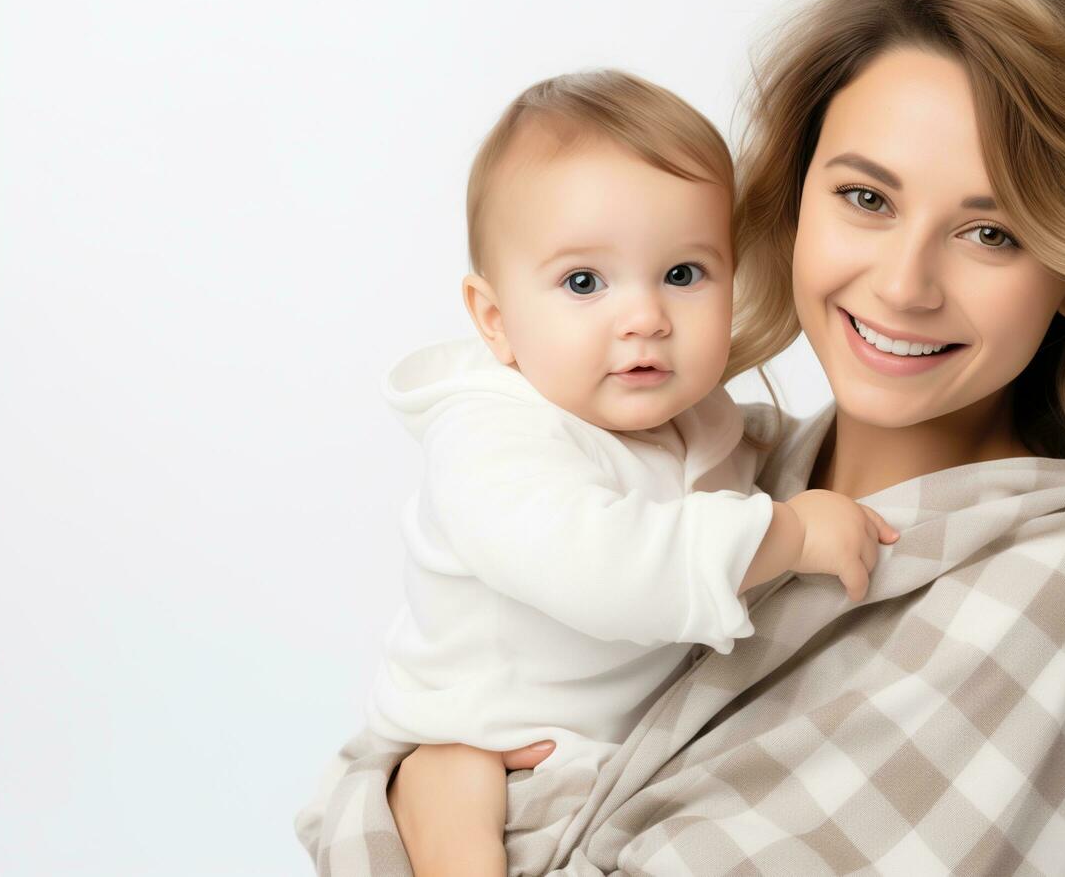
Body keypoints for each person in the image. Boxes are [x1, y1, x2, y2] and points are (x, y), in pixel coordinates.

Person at [297, 0, 1065, 876]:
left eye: (992, 231)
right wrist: (408, 772)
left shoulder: (1055, 567)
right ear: (794, 198)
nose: (906, 285)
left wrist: (432, 792)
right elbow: (353, 778)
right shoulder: (727, 464)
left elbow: (386, 797)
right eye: (867, 198)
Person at [359, 69, 896, 876]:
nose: (644, 317)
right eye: (584, 283)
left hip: (614, 751)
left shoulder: (694, 415)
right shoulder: (490, 435)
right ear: (496, 320)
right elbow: (604, 564)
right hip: (487, 745)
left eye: (684, 274)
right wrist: (786, 534)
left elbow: (750, 457)